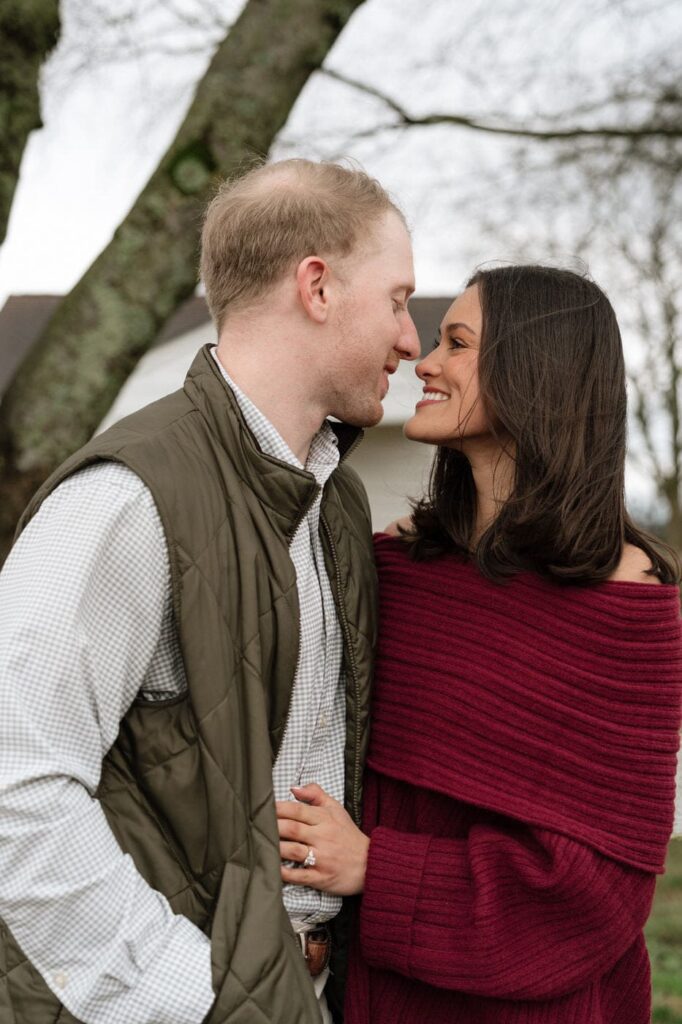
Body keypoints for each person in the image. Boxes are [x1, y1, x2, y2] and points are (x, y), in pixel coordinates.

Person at [0, 159, 421, 1024]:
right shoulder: (124, 499)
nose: (412, 339)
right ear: (317, 286)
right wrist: (199, 999)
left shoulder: (336, 499)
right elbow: (18, 788)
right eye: (397, 299)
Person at [276, 265, 682, 1024]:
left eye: (455, 343)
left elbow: (598, 893)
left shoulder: (630, 600)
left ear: (536, 374)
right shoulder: (396, 566)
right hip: (375, 994)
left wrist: (377, 868)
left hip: (537, 1007)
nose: (424, 362)